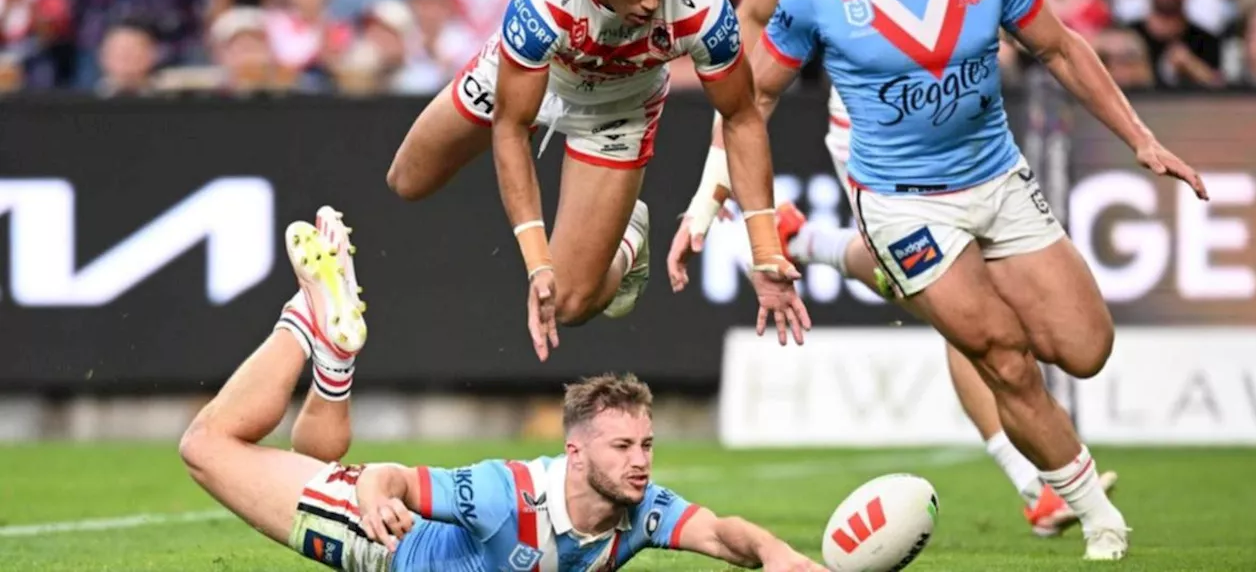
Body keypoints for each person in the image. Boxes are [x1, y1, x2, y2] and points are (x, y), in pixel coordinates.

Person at [682, 0, 1213, 560]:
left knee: (1086, 348)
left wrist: (1140, 139)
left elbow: (1059, 48)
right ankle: (1093, 515)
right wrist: (742, 224)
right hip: (900, 202)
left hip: (998, 182)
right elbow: (751, 105)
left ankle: (816, 244)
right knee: (1001, 354)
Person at [178, 206, 827, 572]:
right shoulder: (507, 495)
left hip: (374, 523)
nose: (639, 460)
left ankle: (333, 351)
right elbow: (395, 479)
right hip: (372, 541)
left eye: (646, 444)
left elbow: (719, 533)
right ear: (575, 453)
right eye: (623, 446)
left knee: (312, 452)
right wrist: (375, 498)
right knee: (206, 445)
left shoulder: (640, 512)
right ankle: (307, 322)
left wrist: (780, 557)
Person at [386, 0, 809, 360]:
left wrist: (765, 248)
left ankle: (629, 234)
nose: (651, 2)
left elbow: (742, 117)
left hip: (619, 107)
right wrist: (535, 261)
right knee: (407, 180)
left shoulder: (701, 4)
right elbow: (512, 129)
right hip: (533, 76)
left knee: (568, 302)